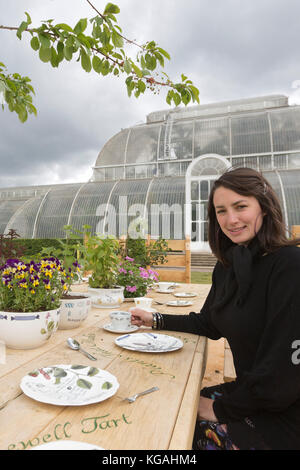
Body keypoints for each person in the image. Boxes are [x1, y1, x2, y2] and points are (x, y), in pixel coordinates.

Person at [130, 167, 300, 450]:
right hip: (254, 393)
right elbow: (208, 323)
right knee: (167, 399)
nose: (230, 219)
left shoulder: (290, 265)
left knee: (176, 431)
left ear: (265, 207)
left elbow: (284, 374)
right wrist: (154, 319)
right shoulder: (228, 266)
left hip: (286, 412)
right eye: (221, 211)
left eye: (240, 206)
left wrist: (219, 411)